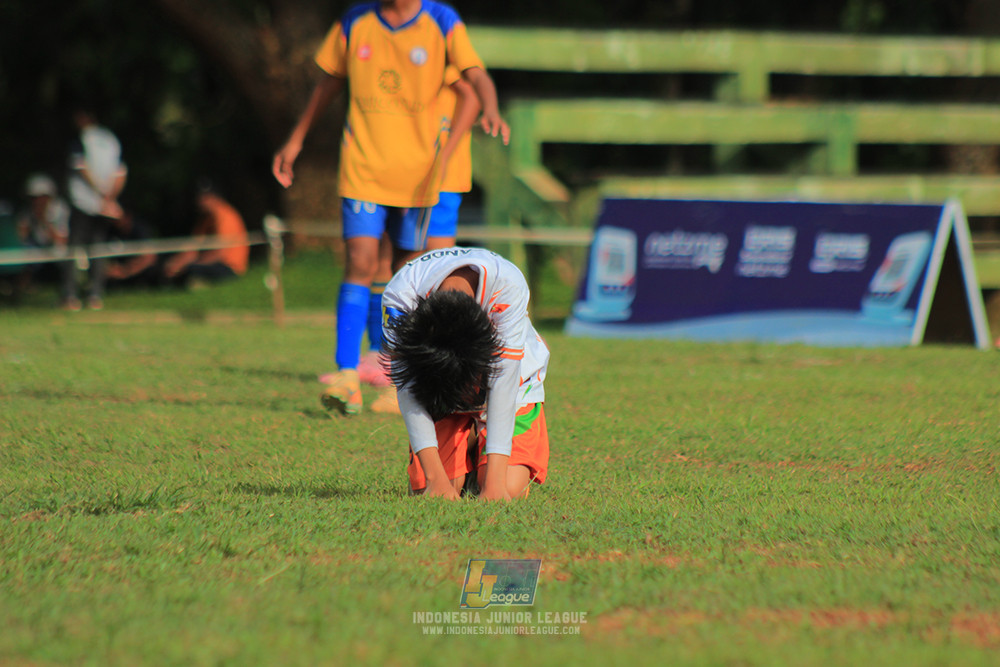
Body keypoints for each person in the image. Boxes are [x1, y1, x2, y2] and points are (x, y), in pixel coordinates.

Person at [272, 0, 510, 417]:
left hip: (425, 177)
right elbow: (327, 82)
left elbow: (473, 86)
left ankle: (416, 373)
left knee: (422, 275)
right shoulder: (356, 22)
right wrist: (296, 138)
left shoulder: (440, 24)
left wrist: (486, 113)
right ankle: (350, 372)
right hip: (365, 168)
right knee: (363, 262)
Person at [356, 71, 483, 412]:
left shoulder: (439, 42)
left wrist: (444, 156)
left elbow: (474, 94)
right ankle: (384, 353)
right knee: (393, 263)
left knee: (436, 268)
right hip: (401, 175)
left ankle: (433, 366)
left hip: (435, 178)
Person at [381, 246, 550, 501]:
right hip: (439, 397)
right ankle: (467, 443)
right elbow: (407, 386)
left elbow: (504, 384)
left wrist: (494, 486)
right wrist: (435, 480)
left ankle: (479, 452)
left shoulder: (507, 287)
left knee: (509, 489)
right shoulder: (400, 299)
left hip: (513, 386)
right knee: (428, 491)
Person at [61, 105, 128, 311]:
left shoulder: (82, 139)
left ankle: (70, 296)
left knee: (75, 249)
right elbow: (121, 172)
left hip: (84, 203)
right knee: (98, 249)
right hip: (104, 205)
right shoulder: (110, 140)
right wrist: (110, 197)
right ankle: (95, 296)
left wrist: (99, 191)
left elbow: (81, 168)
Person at [162, 188, 249, 288]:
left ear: (213, 197)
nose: (199, 202)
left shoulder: (225, 216)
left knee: (190, 270)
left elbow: (219, 254)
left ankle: (198, 284)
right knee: (170, 269)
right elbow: (193, 247)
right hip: (211, 263)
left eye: (203, 198)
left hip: (230, 268)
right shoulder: (206, 218)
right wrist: (176, 263)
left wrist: (189, 264)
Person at [14, 174, 70, 291]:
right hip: (37, 246)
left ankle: (67, 288)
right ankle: (21, 288)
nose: (37, 201)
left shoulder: (60, 209)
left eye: (41, 197)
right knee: (24, 252)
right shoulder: (28, 211)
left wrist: (44, 220)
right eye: (33, 197)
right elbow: (21, 237)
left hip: (56, 246)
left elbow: (61, 239)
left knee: (62, 253)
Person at [104, 210, 160, 289]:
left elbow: (150, 258)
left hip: (136, 271)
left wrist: (125, 271)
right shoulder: (111, 231)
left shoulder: (141, 230)